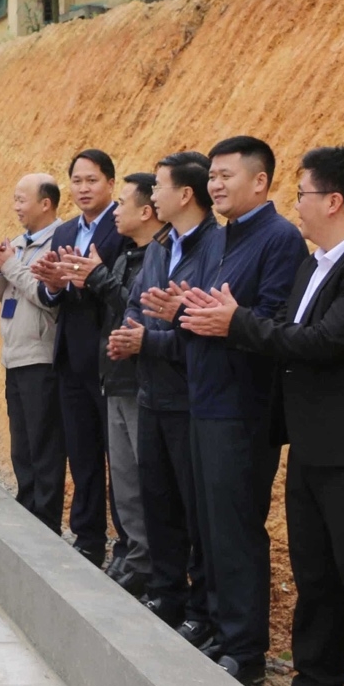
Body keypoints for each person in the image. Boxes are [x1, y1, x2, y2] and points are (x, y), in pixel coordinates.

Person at [181, 147, 344, 686]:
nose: (298, 206)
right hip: (313, 444)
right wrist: (220, 317)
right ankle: (318, 685)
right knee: (317, 572)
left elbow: (322, 342)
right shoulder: (319, 264)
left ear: (333, 200)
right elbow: (284, 332)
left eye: (304, 194)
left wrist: (236, 324)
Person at [141, 135, 305, 686]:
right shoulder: (220, 238)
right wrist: (179, 310)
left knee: (236, 529)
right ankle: (214, 625)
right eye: (211, 176)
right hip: (201, 398)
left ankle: (246, 649)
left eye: (226, 175)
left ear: (260, 181)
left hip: (244, 406)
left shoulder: (279, 239)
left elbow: (277, 322)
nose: (215, 185)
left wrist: (221, 319)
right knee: (207, 526)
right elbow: (207, 311)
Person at [109, 152, 218, 650]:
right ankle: (166, 594)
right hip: (152, 391)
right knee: (159, 501)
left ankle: (200, 608)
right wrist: (129, 334)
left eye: (159, 187)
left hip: (190, 397)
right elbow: (137, 303)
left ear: (184, 195)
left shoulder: (215, 247)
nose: (152, 196)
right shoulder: (160, 246)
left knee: (195, 510)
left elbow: (205, 330)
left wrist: (147, 342)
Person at [62, 172, 164, 597]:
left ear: (146, 211)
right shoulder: (128, 256)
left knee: (146, 479)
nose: (116, 212)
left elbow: (138, 306)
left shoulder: (158, 256)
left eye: (122, 203)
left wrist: (98, 278)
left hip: (141, 379)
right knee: (122, 478)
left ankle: (152, 566)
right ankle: (133, 555)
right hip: (115, 376)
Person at [31, 150, 127, 566]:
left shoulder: (123, 226)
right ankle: (88, 537)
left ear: (110, 183)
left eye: (92, 180)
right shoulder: (67, 228)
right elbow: (55, 292)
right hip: (70, 354)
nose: (84, 189)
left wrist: (86, 279)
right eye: (77, 181)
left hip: (110, 357)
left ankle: (128, 546)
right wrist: (53, 284)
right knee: (82, 452)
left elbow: (122, 290)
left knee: (119, 459)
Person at [0, 173, 65, 533]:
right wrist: (0, 266)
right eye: (14, 200)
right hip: (14, 355)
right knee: (22, 440)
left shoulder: (60, 244)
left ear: (45, 203)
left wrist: (12, 265)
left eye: (22, 200)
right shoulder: (19, 242)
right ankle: (26, 503)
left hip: (41, 356)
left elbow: (48, 299)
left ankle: (46, 517)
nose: (16, 207)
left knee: (45, 442)